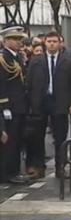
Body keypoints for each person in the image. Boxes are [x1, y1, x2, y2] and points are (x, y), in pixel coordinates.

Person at [25, 31, 71, 179]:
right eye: (49, 41)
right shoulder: (36, 61)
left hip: (60, 102)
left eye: (55, 41)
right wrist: (30, 103)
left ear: (60, 43)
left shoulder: (68, 61)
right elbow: (29, 84)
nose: (52, 44)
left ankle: (60, 167)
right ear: (45, 43)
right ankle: (39, 167)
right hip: (40, 103)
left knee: (60, 136)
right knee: (37, 137)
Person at [0, 27, 31, 184]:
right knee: (9, 142)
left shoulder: (17, 57)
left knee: (18, 139)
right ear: (5, 41)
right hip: (10, 106)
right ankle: (7, 173)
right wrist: (5, 107)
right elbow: (2, 84)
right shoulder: (3, 58)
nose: (19, 42)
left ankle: (14, 170)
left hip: (20, 105)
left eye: (20, 39)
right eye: (15, 39)